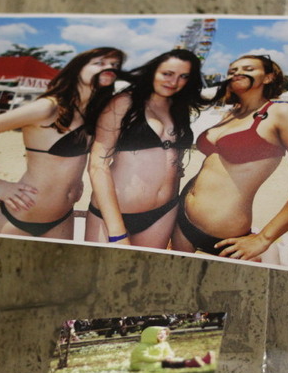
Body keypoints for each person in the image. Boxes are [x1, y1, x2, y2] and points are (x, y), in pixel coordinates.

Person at [0, 47, 125, 239]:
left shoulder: (90, 113)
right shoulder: (47, 108)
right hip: (20, 215)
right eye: (99, 63)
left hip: (63, 217)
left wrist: (76, 183)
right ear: (77, 69)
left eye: (114, 64)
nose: (109, 67)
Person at [171, 54, 288, 261]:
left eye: (248, 69)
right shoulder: (230, 114)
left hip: (224, 233)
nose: (237, 73)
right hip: (182, 216)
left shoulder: (282, 113)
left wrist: (264, 238)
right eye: (232, 71)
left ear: (269, 77)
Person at [86, 49, 206, 248]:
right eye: (167, 74)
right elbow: (98, 166)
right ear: (153, 72)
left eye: (183, 76)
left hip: (163, 213)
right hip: (114, 214)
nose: (174, 82)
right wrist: (116, 231)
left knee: (145, 267)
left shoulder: (178, 108)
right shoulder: (124, 103)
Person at [129, 326, 212, 371]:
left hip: (160, 360)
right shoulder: (142, 346)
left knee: (176, 359)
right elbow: (144, 357)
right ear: (151, 336)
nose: (163, 336)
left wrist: (169, 356)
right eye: (159, 334)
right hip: (142, 364)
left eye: (164, 334)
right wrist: (161, 359)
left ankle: (203, 360)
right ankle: (189, 364)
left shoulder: (164, 344)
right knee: (165, 364)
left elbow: (169, 352)